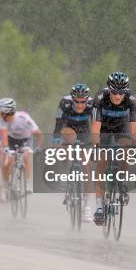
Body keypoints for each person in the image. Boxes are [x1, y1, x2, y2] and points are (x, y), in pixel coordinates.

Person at [91, 72, 136, 226]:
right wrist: (95, 146)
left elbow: (135, 127)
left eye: (121, 92)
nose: (118, 96)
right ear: (109, 89)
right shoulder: (100, 98)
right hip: (104, 128)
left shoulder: (132, 100)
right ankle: (99, 206)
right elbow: (95, 126)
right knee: (101, 161)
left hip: (122, 127)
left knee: (126, 150)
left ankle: (122, 182)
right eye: (114, 92)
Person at [55, 83, 93, 220]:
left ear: (87, 100)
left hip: (85, 133)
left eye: (83, 101)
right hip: (68, 130)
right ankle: (65, 178)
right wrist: (57, 142)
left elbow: (96, 124)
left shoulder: (92, 105)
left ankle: (87, 206)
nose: (80, 105)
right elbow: (58, 124)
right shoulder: (64, 103)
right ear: (72, 99)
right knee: (66, 150)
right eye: (76, 101)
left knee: (86, 165)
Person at [0, 98, 42, 198]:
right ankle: (5, 187)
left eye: (1, 112)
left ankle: (27, 182)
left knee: (27, 156)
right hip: (11, 140)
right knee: (6, 162)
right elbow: (4, 136)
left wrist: (38, 147)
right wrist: (6, 150)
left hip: (25, 140)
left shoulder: (24, 118)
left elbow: (38, 133)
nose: (0, 114)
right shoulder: (3, 121)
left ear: (7, 111)